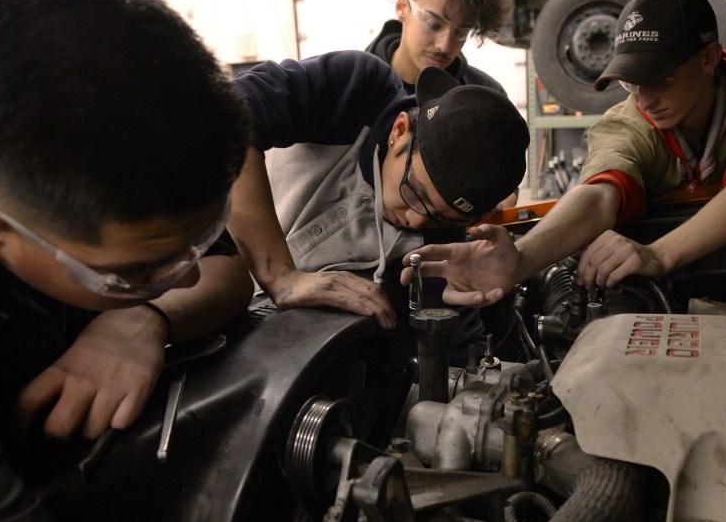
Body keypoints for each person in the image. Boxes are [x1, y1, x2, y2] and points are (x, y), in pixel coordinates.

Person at [0, 0, 253, 522]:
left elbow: (228, 272)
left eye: (199, 237)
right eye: (133, 275)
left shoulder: (133, 150)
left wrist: (141, 314)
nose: (185, 280)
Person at [401, 0, 726, 306]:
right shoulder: (628, 121)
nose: (644, 99)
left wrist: (659, 255)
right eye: (632, 82)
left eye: (660, 79)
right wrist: (522, 259)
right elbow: (600, 194)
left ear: (708, 59)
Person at [226, 50, 528, 359]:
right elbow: (228, 113)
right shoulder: (356, 91)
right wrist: (281, 276)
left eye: (439, 218)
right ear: (400, 131)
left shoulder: (439, 247)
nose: (415, 221)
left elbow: (457, 345)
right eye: (415, 193)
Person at [364, 0, 512, 96]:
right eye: (433, 24)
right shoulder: (356, 87)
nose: (444, 46)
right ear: (402, 7)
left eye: (460, 32)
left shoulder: (486, 97)